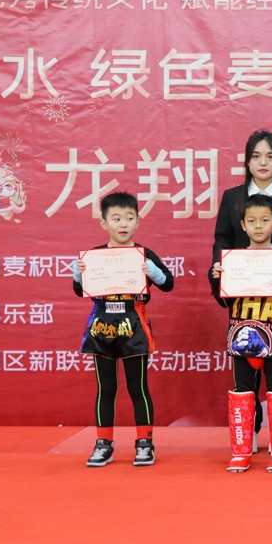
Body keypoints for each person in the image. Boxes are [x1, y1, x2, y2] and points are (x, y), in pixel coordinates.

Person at [210, 130, 272, 451]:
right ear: (247, 161)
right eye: (256, 156)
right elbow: (222, 239)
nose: (263, 162)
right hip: (243, 295)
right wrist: (220, 269)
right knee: (246, 359)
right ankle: (249, 431)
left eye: (270, 156)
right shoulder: (232, 197)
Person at [73, 191, 174, 468]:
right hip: (102, 324)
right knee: (105, 389)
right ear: (104, 223)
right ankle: (103, 444)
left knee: (138, 387)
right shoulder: (93, 256)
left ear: (138, 221)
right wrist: (78, 274)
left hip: (134, 324)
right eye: (116, 218)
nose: (123, 223)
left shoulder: (144, 254)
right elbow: (79, 290)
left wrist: (152, 271)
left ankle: (145, 442)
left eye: (129, 218)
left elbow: (168, 283)